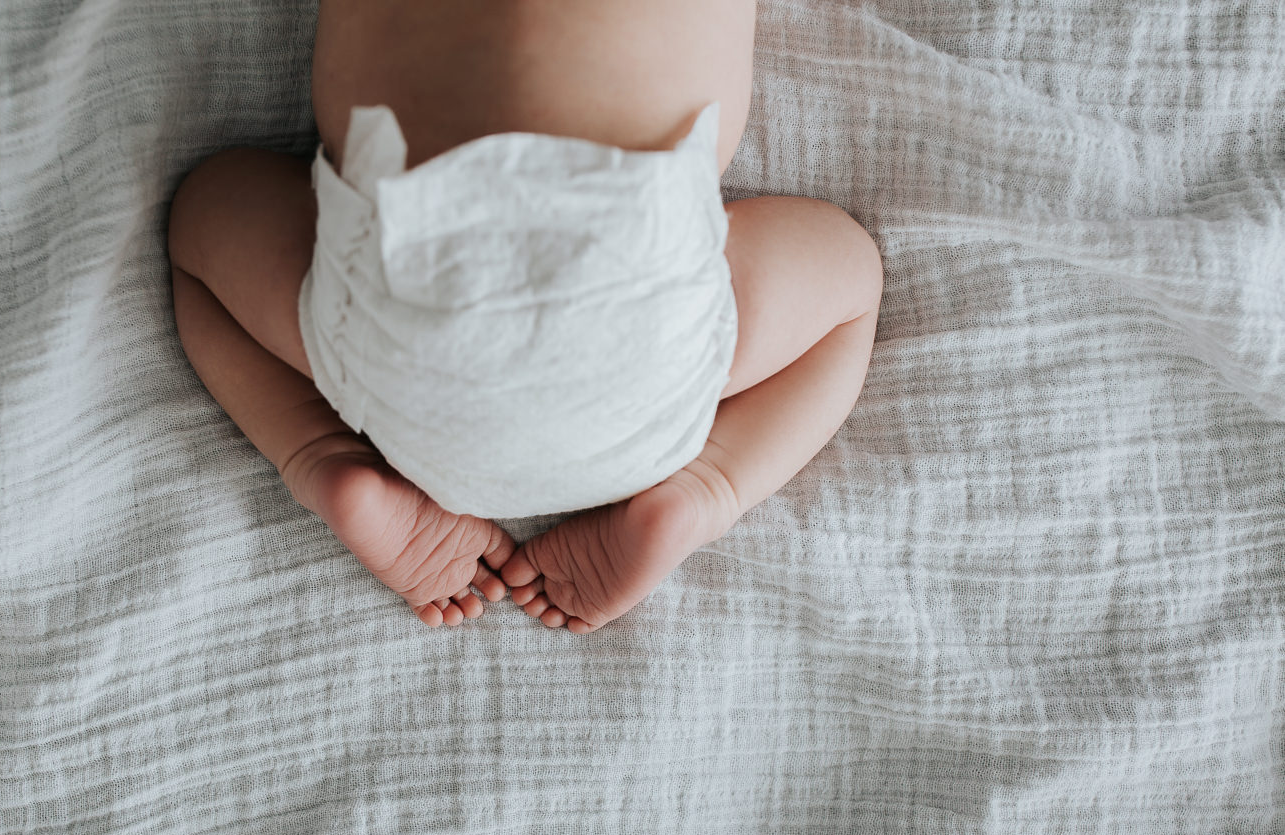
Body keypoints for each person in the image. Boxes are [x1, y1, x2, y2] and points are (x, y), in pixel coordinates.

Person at [167, 0, 882, 634]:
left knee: (201, 222)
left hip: (410, 318)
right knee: (852, 281)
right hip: (644, 328)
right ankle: (709, 488)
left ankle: (318, 454)